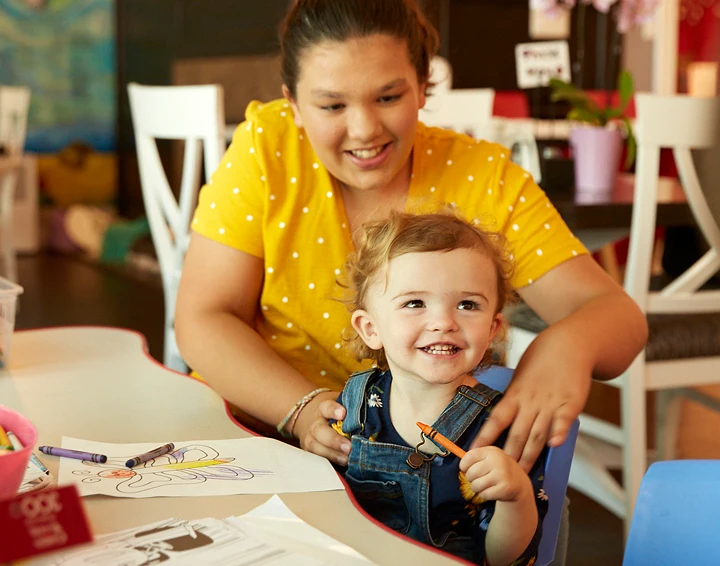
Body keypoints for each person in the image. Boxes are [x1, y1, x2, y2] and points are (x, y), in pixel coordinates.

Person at [176, 0, 647, 559]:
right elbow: (203, 317)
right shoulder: (266, 149)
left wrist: (566, 342)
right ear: (293, 103)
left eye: (389, 97)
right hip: (262, 441)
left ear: (424, 86)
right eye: (331, 104)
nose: (364, 128)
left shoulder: (485, 177)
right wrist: (299, 409)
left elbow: (616, 318)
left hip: (435, 481)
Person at [332, 209, 546, 565]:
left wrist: (516, 497)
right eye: (414, 303)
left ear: (492, 329)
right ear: (371, 329)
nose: (444, 322)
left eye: (467, 304)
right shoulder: (355, 404)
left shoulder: (502, 427)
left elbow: (504, 559)